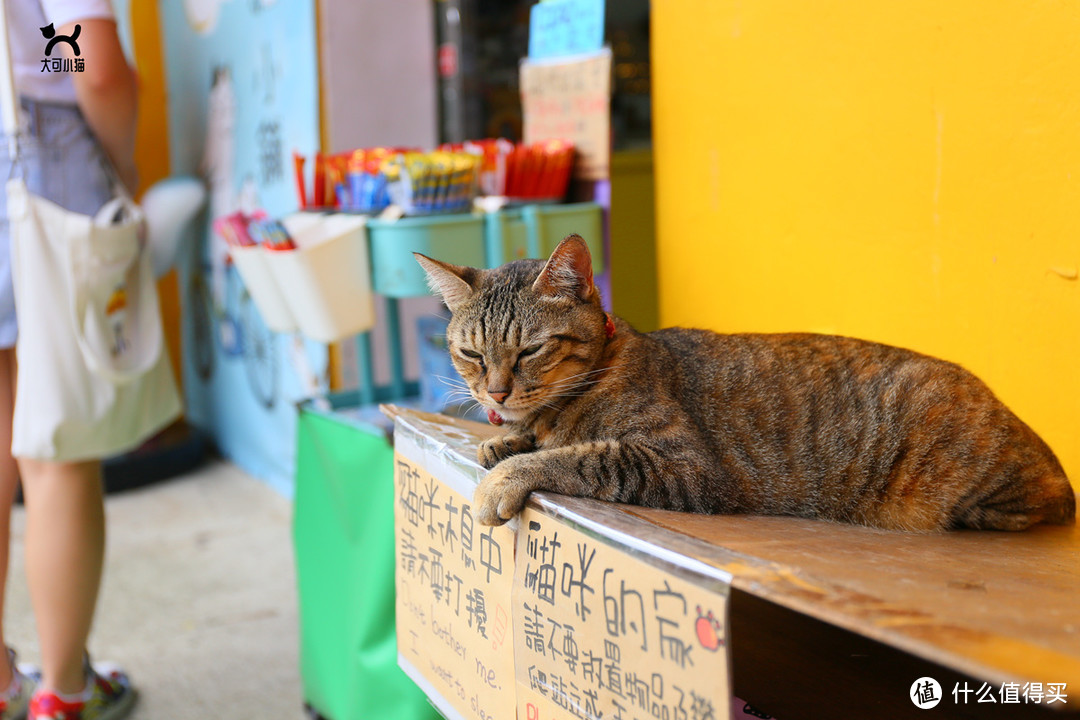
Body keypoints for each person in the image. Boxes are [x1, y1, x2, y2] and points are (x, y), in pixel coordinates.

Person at [0, 2, 139, 718]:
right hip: (38, 156)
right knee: (56, 440)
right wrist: (125, 165)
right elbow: (91, 61)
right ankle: (65, 694)